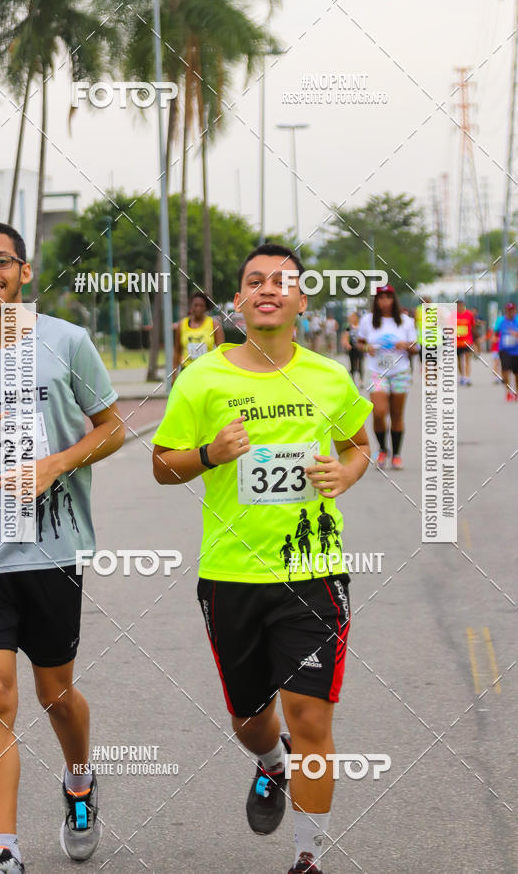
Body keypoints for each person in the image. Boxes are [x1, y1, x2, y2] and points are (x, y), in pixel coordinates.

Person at [152, 242, 372, 874]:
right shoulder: (203, 377)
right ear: (240, 299)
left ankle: (308, 858)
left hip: (314, 572)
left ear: (302, 301)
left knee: (310, 715)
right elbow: (164, 465)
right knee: (251, 719)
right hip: (231, 576)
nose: (268, 289)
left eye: (283, 282)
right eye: (255, 281)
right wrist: (212, 455)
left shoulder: (329, 375)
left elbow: (360, 444)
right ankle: (269, 760)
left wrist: (345, 473)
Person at [0, 221, 125, 874]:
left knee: (55, 693)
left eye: (2, 261)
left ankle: (78, 782)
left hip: (51, 550)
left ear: (24, 271)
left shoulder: (65, 342)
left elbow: (113, 428)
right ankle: (5, 853)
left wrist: (55, 464)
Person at [357, 285, 418, 470]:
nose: (385, 301)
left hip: (400, 372)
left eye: (388, 297)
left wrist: (406, 345)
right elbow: (359, 343)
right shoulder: (368, 320)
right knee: (379, 412)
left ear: (394, 299)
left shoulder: (405, 321)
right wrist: (368, 348)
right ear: (376, 301)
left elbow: (416, 347)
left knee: (397, 414)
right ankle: (383, 449)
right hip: (376, 372)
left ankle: (397, 455)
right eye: (381, 298)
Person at [173, 290, 224, 380]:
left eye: (201, 306)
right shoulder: (182, 325)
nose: (198, 308)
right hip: (187, 372)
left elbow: (221, 352)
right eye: (195, 305)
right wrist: (174, 375)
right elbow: (177, 351)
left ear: (206, 308)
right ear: (191, 307)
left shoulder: (214, 324)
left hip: (207, 372)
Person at [494, 301, 518, 401]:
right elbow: (495, 332)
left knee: (517, 374)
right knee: (505, 370)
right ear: (506, 311)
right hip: (504, 350)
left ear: (515, 310)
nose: (510, 312)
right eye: (508, 310)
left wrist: (517, 334)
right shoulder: (500, 320)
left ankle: (517, 391)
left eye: (512, 310)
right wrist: (494, 338)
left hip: (516, 351)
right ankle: (508, 391)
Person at [340, 310, 364, 387]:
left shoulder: (361, 327)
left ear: (357, 318)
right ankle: (353, 380)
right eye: (351, 317)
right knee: (352, 365)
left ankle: (361, 381)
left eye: (353, 317)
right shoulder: (349, 327)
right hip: (352, 348)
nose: (352, 318)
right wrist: (346, 344)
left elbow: (365, 338)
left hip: (360, 348)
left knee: (360, 364)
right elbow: (345, 337)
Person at [456, 298, 476, 386]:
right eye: (458, 305)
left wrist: (474, 340)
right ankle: (462, 376)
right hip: (456, 342)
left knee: (468, 359)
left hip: (467, 341)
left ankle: (467, 378)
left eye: (461, 305)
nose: (460, 307)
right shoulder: (453, 315)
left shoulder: (469, 314)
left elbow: (473, 326)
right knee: (459, 360)